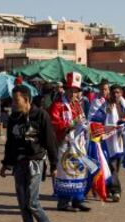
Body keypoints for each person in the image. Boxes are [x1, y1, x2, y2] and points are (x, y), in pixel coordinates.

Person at [0, 85, 58, 222]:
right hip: (19, 164)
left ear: (26, 100)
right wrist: (6, 164)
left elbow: (50, 142)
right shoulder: (13, 118)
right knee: (23, 206)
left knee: (32, 202)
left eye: (16, 100)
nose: (13, 103)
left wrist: (54, 165)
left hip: (35, 162)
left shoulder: (41, 116)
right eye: (13, 99)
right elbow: (10, 143)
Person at [49, 72, 91, 212]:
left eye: (76, 91)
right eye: (72, 91)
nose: (74, 94)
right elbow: (54, 122)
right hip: (65, 144)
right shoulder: (58, 105)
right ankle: (63, 203)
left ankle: (78, 200)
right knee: (66, 172)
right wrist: (70, 124)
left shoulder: (77, 105)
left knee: (79, 171)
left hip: (78, 144)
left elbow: (83, 120)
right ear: (66, 90)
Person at [90, 84, 125, 202]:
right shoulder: (105, 105)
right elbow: (95, 119)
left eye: (118, 92)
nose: (115, 95)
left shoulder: (124, 105)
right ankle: (116, 191)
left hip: (120, 141)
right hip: (107, 142)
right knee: (112, 167)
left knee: (115, 168)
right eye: (113, 92)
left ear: (121, 93)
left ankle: (109, 189)